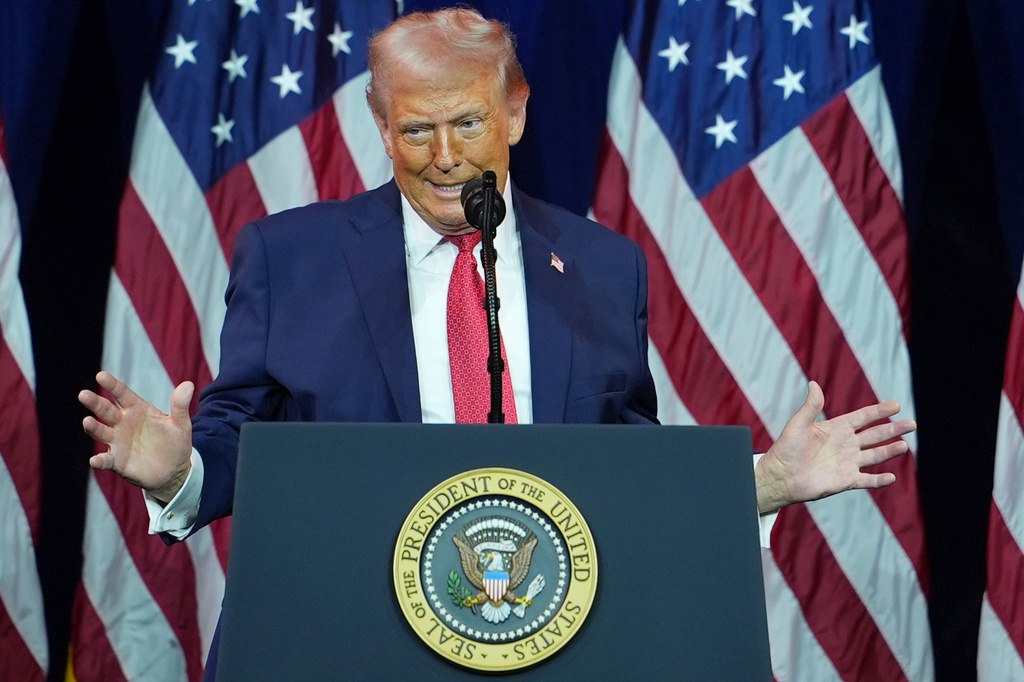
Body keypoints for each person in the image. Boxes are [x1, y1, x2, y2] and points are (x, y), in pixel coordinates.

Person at [78, 6, 915, 678]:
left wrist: (762, 482)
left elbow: (629, 472)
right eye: (415, 131)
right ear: (378, 122)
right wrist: (180, 471)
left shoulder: (601, 266)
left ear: (514, 112)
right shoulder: (289, 258)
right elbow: (241, 446)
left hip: (553, 642)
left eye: (469, 124)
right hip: (342, 640)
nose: (445, 159)